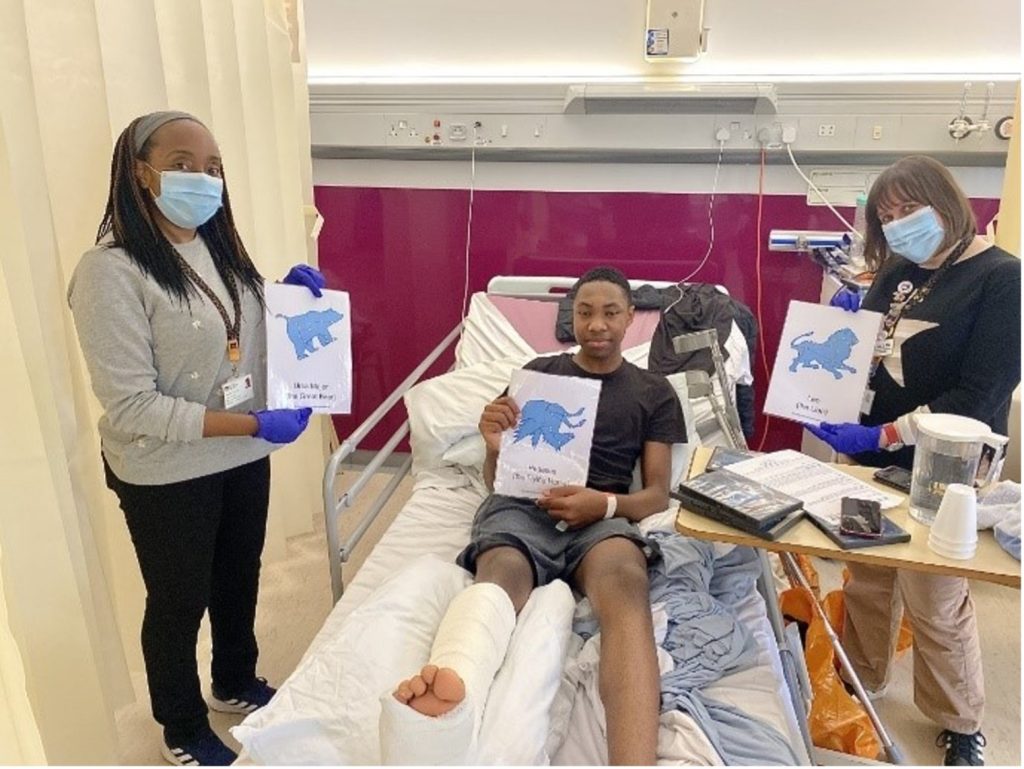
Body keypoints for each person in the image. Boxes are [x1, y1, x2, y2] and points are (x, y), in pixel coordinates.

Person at [68, 111, 326, 766]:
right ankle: (181, 725)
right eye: (182, 164)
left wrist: (284, 300)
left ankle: (233, 679)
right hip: (165, 467)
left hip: (241, 452)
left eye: (213, 168)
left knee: (239, 574)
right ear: (140, 173)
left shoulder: (220, 247)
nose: (203, 179)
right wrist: (254, 423)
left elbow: (229, 331)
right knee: (178, 599)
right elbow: (133, 405)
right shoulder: (110, 273)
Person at [390, 266, 687, 764]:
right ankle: (450, 692)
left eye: (610, 312)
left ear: (630, 317)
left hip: (602, 517)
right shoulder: (538, 374)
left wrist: (603, 504)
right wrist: (492, 445)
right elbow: (497, 479)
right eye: (585, 313)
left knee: (627, 588)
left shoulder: (654, 392)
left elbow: (657, 494)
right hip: (523, 508)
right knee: (499, 579)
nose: (597, 324)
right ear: (572, 318)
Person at [807, 155, 1020, 766]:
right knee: (869, 574)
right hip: (872, 450)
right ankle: (862, 679)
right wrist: (847, 333)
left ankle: (959, 722)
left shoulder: (1002, 278)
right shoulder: (898, 270)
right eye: (886, 214)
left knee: (935, 595)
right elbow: (875, 358)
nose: (897, 223)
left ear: (944, 201)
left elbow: (980, 395)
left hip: (948, 462)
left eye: (909, 208)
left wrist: (884, 434)